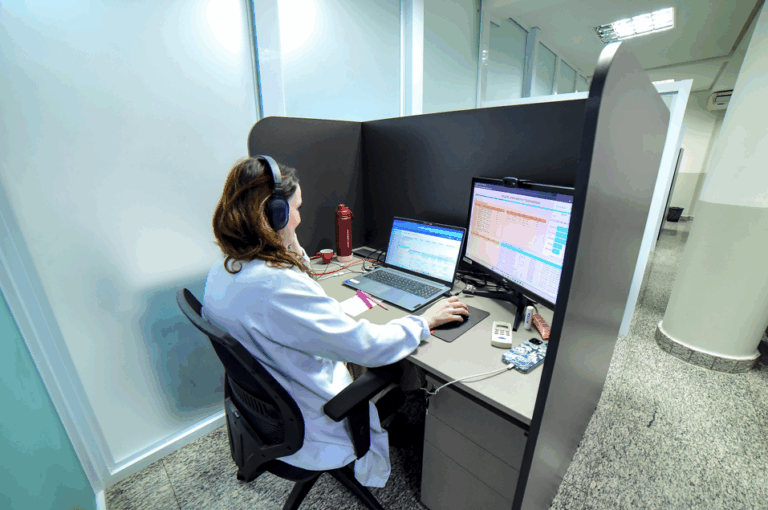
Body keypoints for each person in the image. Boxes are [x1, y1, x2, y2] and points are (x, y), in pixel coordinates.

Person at [202, 157, 469, 487]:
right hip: (314, 421)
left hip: (268, 412)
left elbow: (298, 289)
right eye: (295, 209)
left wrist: (285, 240)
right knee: (390, 368)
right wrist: (424, 321)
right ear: (272, 215)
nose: (299, 218)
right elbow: (367, 346)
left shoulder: (224, 269)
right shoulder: (277, 286)